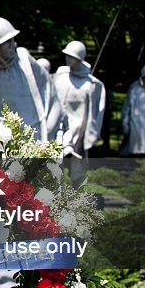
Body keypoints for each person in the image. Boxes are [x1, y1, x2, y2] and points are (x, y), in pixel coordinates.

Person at [0, 16, 65, 141]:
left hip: (32, 134)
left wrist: (50, 122)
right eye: (7, 42)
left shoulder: (24, 59)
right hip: (1, 140)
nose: (13, 44)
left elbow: (47, 87)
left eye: (12, 39)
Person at [53, 40, 106, 186]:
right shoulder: (59, 78)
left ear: (79, 59)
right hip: (59, 129)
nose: (68, 59)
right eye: (67, 56)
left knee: (77, 166)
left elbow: (95, 112)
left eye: (72, 57)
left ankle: (78, 195)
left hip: (78, 132)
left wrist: (89, 134)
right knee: (56, 164)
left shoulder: (91, 85)